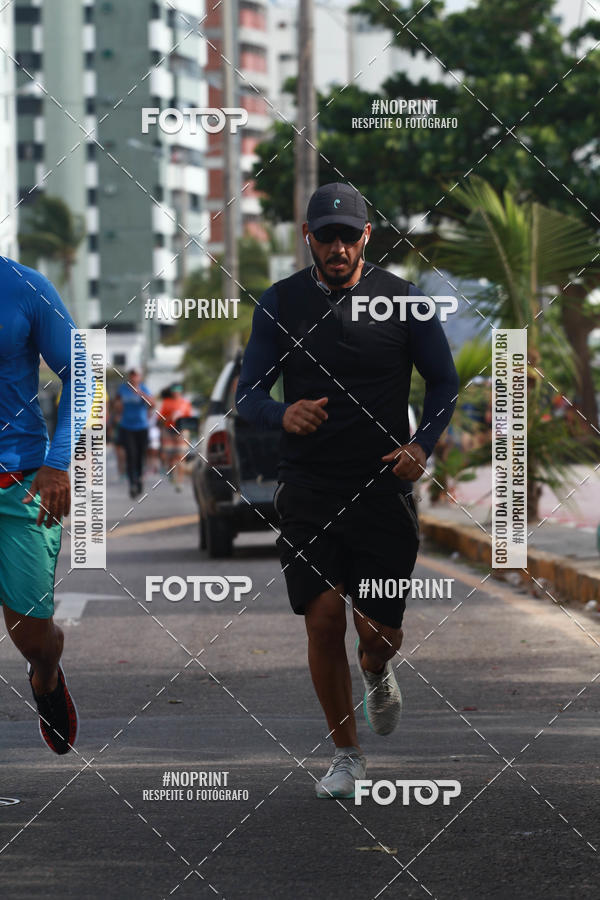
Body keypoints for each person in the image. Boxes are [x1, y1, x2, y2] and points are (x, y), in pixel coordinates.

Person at [235, 183, 459, 799]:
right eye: (324, 235)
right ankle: (345, 753)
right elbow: (246, 395)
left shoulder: (407, 304)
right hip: (308, 486)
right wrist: (281, 415)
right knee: (323, 619)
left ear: (367, 237)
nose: (336, 246)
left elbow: (444, 386)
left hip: (382, 487)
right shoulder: (280, 304)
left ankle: (379, 670)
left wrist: (422, 447)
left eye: (347, 235)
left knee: (375, 634)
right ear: (307, 237)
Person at [0, 258, 81, 754]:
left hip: (22, 482)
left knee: (32, 638)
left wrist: (57, 462)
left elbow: (84, 373)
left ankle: (45, 676)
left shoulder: (27, 287)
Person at [113, 369, 154, 498]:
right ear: (129, 377)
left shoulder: (144, 389)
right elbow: (117, 404)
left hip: (141, 427)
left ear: (139, 377)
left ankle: (140, 478)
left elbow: (152, 404)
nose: (134, 378)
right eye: (132, 376)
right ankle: (132, 483)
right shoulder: (123, 390)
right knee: (130, 454)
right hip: (127, 426)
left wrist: (140, 394)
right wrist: (118, 411)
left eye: (136, 376)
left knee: (140, 455)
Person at [158, 384, 193, 491]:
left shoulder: (185, 403)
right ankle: (172, 473)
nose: (176, 392)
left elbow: (189, 418)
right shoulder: (166, 402)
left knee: (181, 456)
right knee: (171, 456)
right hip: (169, 430)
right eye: (174, 390)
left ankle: (180, 482)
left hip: (182, 431)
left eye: (178, 390)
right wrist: (170, 417)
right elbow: (160, 419)